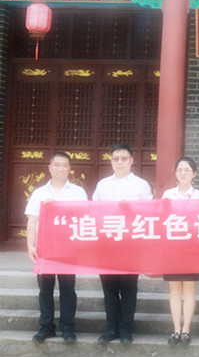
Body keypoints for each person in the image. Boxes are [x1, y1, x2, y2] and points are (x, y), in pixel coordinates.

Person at [93, 143, 153, 343]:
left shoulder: (141, 185)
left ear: (131, 160)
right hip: (107, 243)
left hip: (131, 244)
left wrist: (132, 209)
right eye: (116, 158)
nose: (120, 162)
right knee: (109, 289)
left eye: (124, 158)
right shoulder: (103, 185)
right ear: (111, 161)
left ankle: (126, 329)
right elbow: (93, 212)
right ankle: (112, 328)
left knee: (129, 289)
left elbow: (149, 212)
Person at [25, 152, 88, 343]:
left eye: (65, 165)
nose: (61, 169)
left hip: (68, 248)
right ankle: (46, 327)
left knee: (68, 289)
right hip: (45, 249)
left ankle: (68, 327)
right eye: (57, 165)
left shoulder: (78, 192)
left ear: (70, 169)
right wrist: (30, 246)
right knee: (45, 289)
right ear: (50, 168)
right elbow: (32, 221)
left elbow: (84, 217)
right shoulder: (39, 193)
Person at [162, 157, 199, 346]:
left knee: (188, 288)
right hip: (172, 248)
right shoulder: (167, 195)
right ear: (175, 173)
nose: (183, 173)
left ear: (194, 174)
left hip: (192, 248)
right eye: (179, 170)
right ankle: (176, 329)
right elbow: (160, 221)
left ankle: (186, 329)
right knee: (174, 289)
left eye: (187, 170)